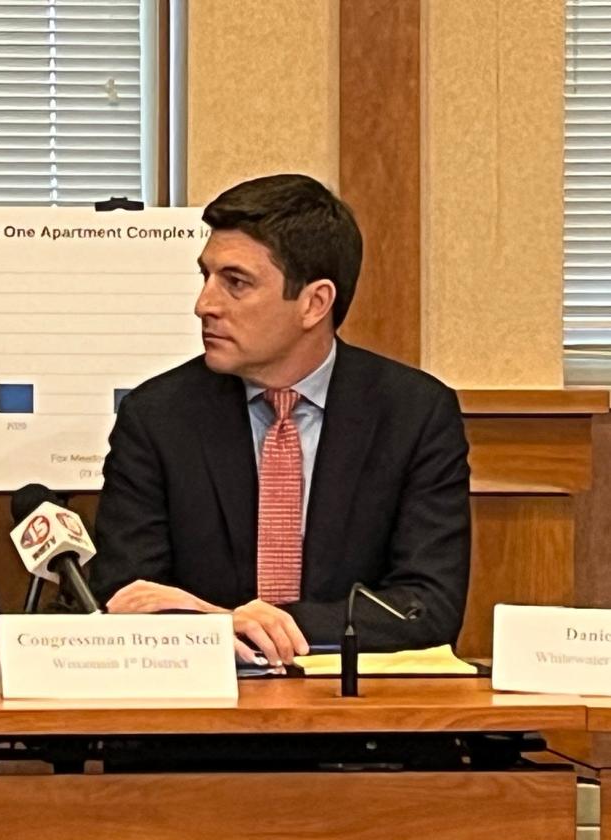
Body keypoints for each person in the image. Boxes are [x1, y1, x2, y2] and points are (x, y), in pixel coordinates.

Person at [90, 173, 470, 664]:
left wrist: (254, 626)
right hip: (197, 715)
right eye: (205, 276)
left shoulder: (413, 414)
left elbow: (427, 605)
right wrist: (222, 628)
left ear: (314, 303)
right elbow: (128, 593)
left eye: (236, 283)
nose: (204, 304)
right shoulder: (158, 417)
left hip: (359, 716)